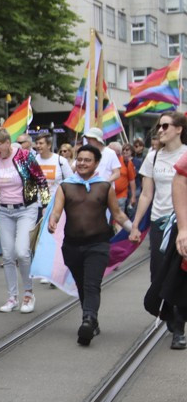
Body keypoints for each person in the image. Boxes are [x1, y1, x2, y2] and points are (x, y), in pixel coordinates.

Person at [46, 145, 131, 346]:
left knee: (92, 284)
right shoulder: (65, 186)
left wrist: (131, 229)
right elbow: (57, 210)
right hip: (72, 246)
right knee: (82, 284)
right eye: (80, 159)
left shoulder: (104, 186)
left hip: (98, 244)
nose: (82, 163)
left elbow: (117, 213)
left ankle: (88, 320)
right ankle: (91, 317)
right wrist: (53, 220)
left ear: (97, 163)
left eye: (87, 160)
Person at [130, 112, 187, 349]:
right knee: (158, 276)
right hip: (159, 223)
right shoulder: (152, 157)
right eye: (159, 126)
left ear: (179, 129)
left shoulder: (185, 155)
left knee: (180, 277)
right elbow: (146, 194)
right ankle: (171, 319)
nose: (160, 130)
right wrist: (135, 225)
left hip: (182, 224)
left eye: (165, 126)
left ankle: (179, 328)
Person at [0, 127, 49, 314]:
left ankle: (28, 293)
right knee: (7, 255)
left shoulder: (25, 156)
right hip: (4, 211)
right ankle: (12, 297)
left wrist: (45, 206)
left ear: (7, 143)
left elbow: (41, 180)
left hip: (26, 209)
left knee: (22, 252)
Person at [109, 142, 137, 217]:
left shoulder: (127, 162)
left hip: (121, 195)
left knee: (118, 217)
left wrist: (133, 196)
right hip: (107, 195)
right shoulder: (105, 160)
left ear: (118, 152)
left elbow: (132, 180)